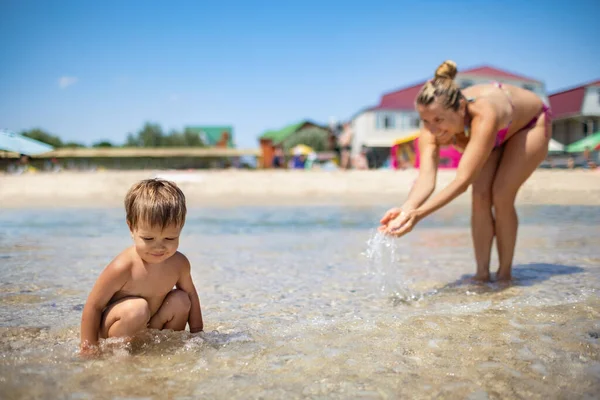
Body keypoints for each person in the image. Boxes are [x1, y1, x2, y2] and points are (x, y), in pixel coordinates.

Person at [379, 60, 552, 283]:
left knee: (501, 194)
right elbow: (426, 179)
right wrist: (406, 210)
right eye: (426, 121)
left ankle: (504, 275)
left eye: (439, 120)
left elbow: (462, 180)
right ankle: (481, 275)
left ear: (461, 108)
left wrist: (418, 216)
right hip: (491, 133)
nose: (432, 128)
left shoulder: (484, 113)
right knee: (479, 197)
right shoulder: (431, 124)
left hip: (530, 124)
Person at [80, 178, 204, 355]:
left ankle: (165, 350)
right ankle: (119, 354)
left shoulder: (179, 264)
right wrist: (88, 347)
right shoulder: (123, 267)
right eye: (148, 239)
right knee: (136, 308)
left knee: (181, 299)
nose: (159, 247)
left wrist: (198, 334)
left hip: (152, 327)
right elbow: (93, 306)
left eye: (170, 238)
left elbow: (191, 295)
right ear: (131, 228)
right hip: (118, 329)